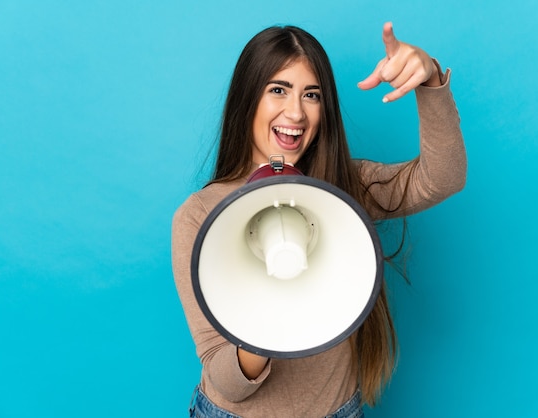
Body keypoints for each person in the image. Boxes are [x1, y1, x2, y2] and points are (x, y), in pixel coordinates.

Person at [172, 21, 467, 418]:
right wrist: (263, 313)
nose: (296, 112)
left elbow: (442, 178)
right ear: (247, 98)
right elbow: (226, 381)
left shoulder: (341, 188)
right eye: (278, 89)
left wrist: (429, 79)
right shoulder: (200, 216)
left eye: (311, 95)